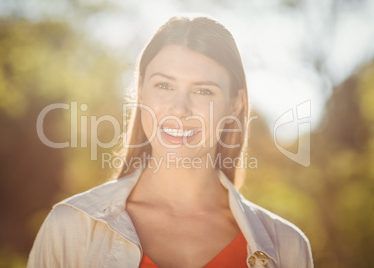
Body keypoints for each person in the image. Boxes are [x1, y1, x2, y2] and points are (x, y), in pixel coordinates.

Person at [28, 16, 314, 268]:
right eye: (164, 85)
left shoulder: (287, 247)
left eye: (203, 91)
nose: (180, 109)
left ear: (235, 104)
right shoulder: (69, 227)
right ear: (140, 92)